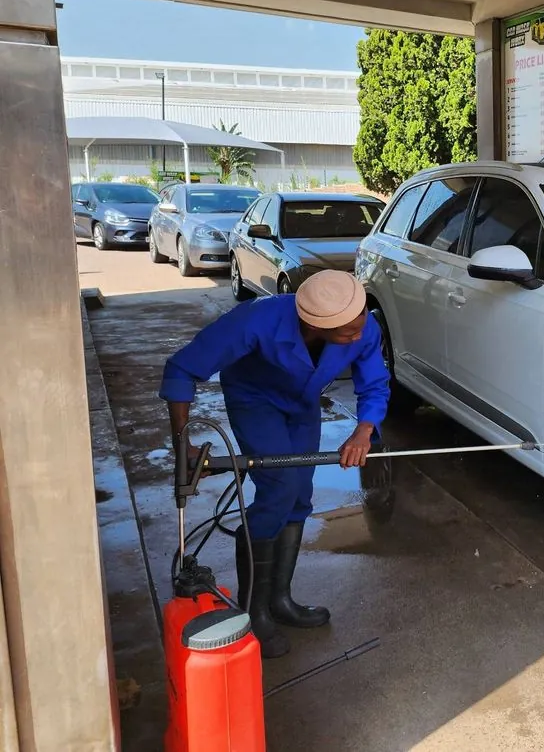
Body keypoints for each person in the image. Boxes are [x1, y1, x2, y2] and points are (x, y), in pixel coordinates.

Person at [159, 270, 390, 658]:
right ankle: (254, 610)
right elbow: (182, 368)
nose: (358, 333)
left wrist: (364, 430)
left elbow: (374, 382)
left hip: (303, 403)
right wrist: (183, 443)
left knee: (300, 495)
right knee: (278, 489)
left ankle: (280, 599)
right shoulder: (256, 320)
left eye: (361, 322)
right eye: (346, 332)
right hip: (255, 401)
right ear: (315, 323)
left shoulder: (362, 325)